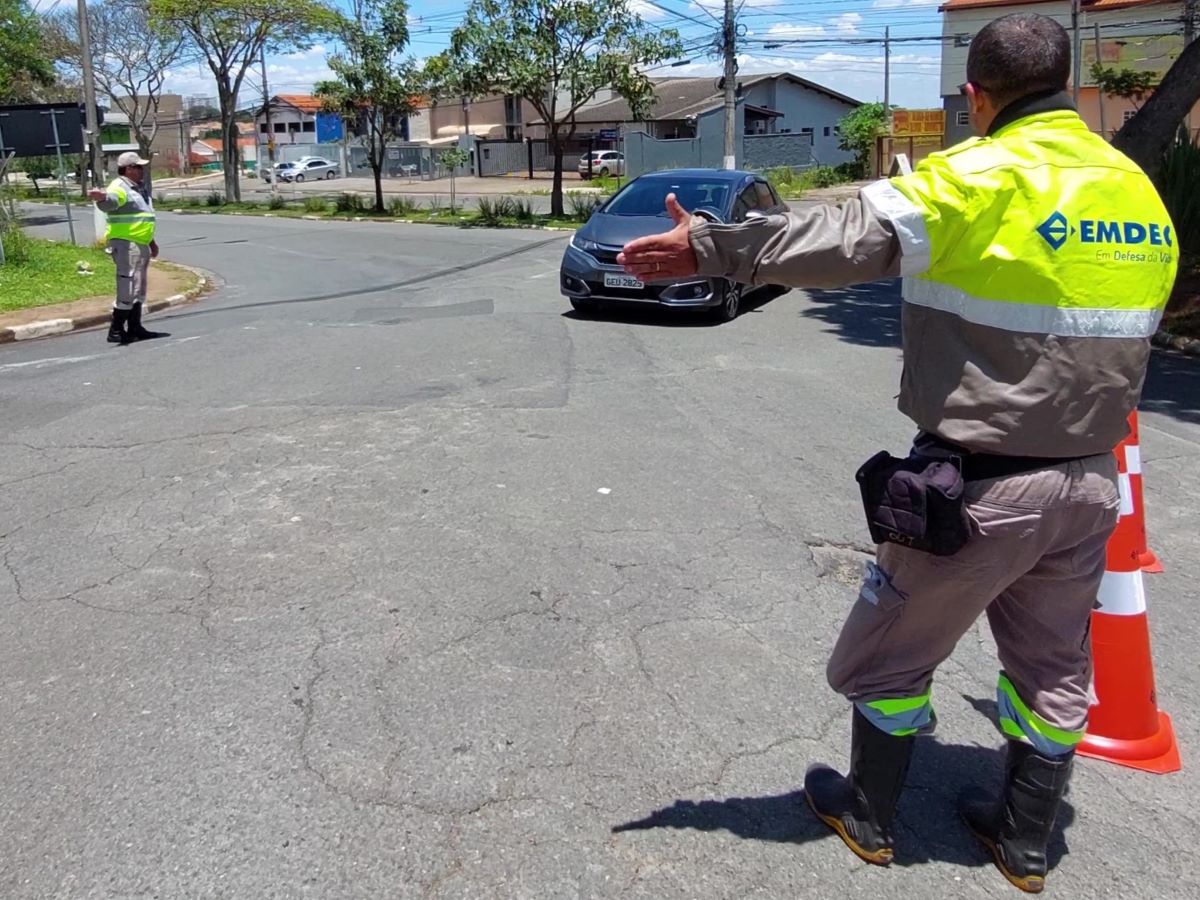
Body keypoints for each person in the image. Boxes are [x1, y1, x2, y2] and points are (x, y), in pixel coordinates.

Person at [619, 13, 1175, 895]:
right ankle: (1024, 843)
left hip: (982, 487)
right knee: (1054, 671)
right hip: (1093, 487)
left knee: (883, 659)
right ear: (1069, 80)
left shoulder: (979, 175)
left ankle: (871, 816)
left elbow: (844, 236)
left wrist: (713, 244)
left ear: (975, 94)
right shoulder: (1133, 187)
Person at [88, 151, 169, 344]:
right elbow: (110, 202)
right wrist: (101, 199)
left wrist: (151, 241)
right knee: (128, 287)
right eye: (139, 167)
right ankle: (116, 330)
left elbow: (141, 218)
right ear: (129, 169)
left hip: (139, 244)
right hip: (126, 245)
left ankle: (134, 327)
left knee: (139, 288)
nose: (142, 170)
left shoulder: (137, 188)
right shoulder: (119, 187)